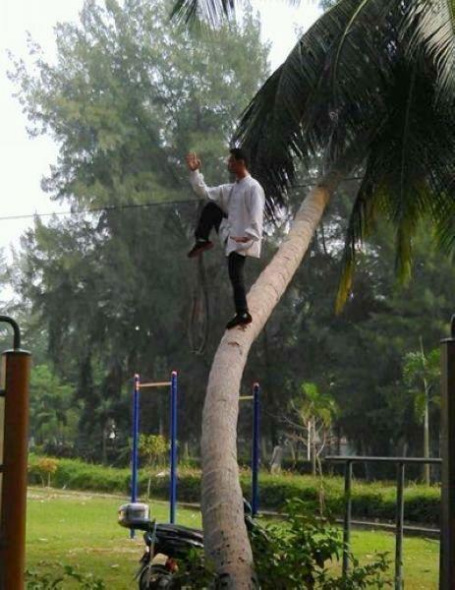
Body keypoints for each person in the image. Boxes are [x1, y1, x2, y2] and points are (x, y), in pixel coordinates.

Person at [186, 148, 265, 330]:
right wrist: (194, 172)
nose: (228, 164)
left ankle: (243, 313)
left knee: (235, 275)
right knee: (211, 207)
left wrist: (248, 236)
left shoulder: (253, 187)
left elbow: (256, 214)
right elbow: (204, 192)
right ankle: (201, 239)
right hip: (231, 237)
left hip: (242, 239)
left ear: (241, 162)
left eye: (231, 161)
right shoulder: (230, 189)